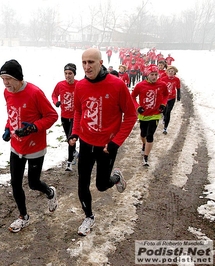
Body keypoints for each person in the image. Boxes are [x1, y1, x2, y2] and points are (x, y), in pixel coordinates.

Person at [68, 48, 137, 236]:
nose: (87, 66)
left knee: (101, 185)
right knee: (82, 184)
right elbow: (78, 111)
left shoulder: (116, 85)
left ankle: (116, 177)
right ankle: (89, 216)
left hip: (107, 146)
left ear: (100, 63)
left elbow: (131, 116)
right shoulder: (80, 86)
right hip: (86, 143)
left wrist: (116, 142)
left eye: (91, 62)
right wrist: (75, 133)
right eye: (84, 62)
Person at [0, 59, 59, 233]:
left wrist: (34, 127)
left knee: (33, 183)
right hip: (16, 146)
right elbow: (12, 113)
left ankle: (50, 192)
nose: (6, 83)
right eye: (3, 79)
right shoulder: (7, 92)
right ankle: (23, 216)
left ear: (18, 78)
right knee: (15, 183)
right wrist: (7, 127)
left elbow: (52, 116)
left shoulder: (35, 93)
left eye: (9, 78)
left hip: (35, 147)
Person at [131, 65, 169, 166]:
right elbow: (132, 97)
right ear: (147, 75)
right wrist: (138, 107)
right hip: (144, 114)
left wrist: (163, 104)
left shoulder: (162, 85)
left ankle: (146, 157)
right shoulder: (140, 85)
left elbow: (166, 95)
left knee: (150, 135)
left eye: (156, 74)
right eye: (152, 74)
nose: (154, 76)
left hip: (155, 114)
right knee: (143, 133)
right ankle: (144, 144)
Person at [52, 63, 79, 171]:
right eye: (66, 73)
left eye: (70, 73)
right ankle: (74, 153)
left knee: (71, 139)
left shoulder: (79, 84)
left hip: (76, 117)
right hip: (64, 116)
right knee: (69, 138)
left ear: (74, 74)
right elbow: (54, 95)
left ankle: (69, 162)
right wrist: (56, 102)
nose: (68, 76)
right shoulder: (60, 85)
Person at [159, 65, 181, 134]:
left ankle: (165, 128)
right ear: (167, 72)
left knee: (168, 112)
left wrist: (178, 96)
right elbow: (159, 86)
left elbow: (178, 88)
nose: (171, 72)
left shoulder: (176, 79)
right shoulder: (163, 79)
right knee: (164, 111)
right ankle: (164, 116)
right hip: (164, 98)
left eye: (172, 71)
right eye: (169, 71)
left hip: (172, 98)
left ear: (174, 72)